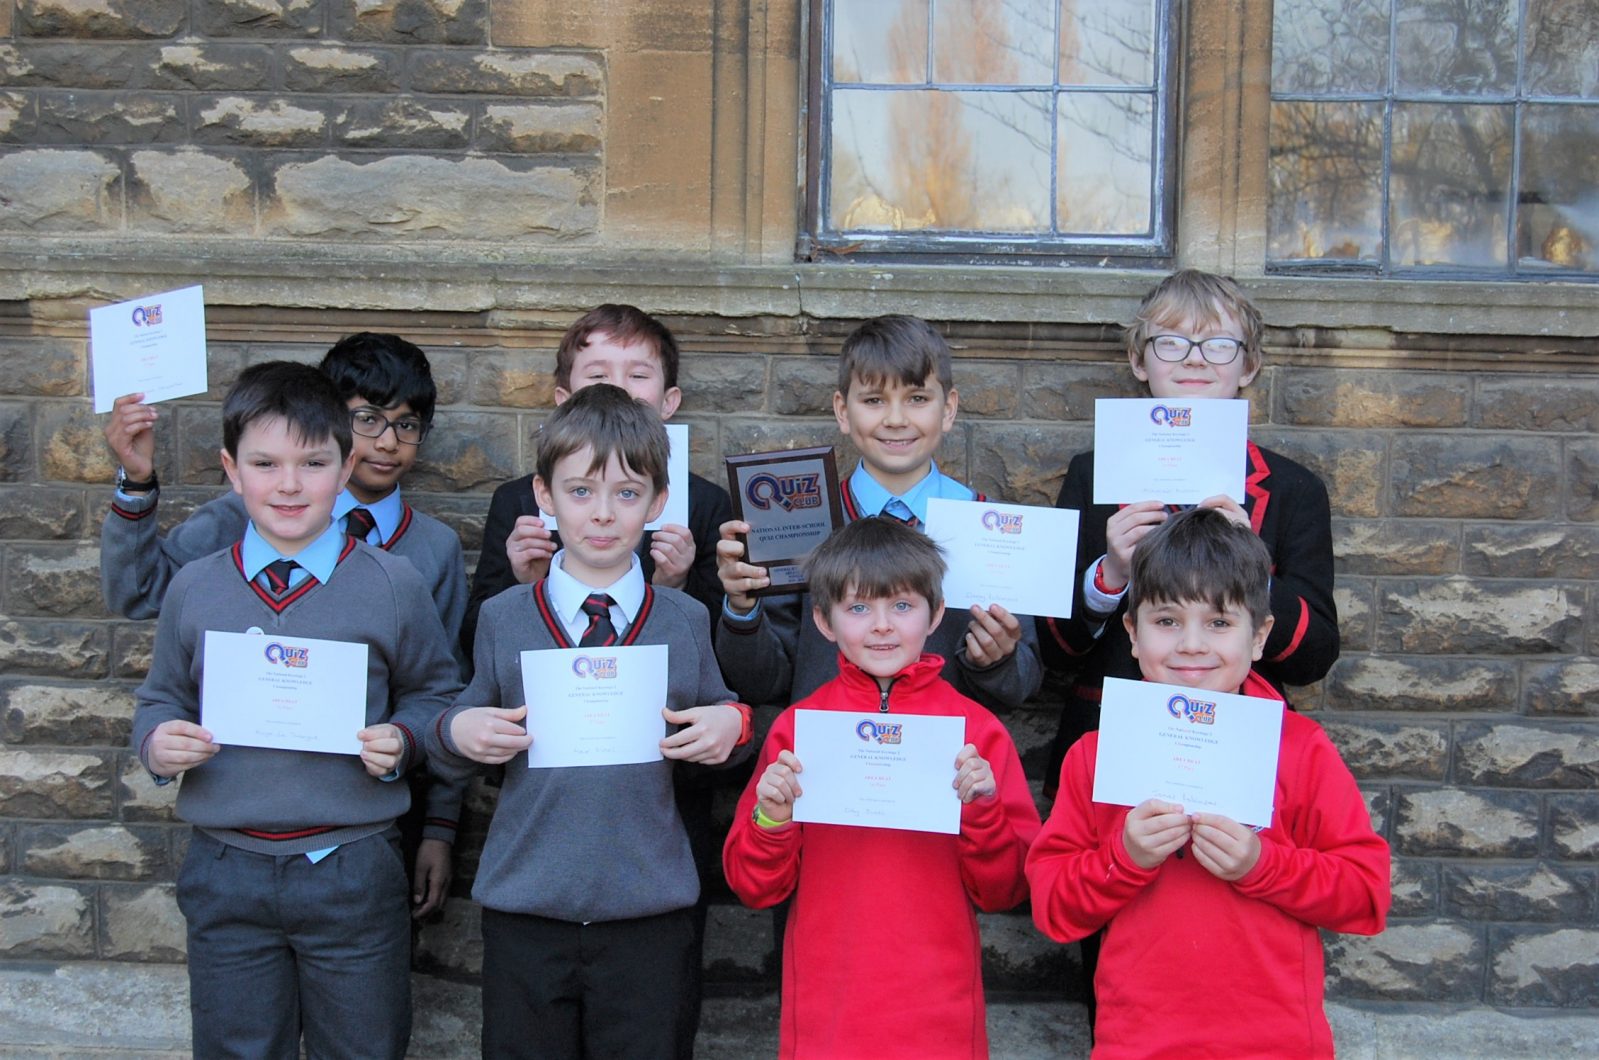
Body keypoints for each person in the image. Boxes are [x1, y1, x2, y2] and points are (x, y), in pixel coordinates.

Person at [130, 361, 461, 1059]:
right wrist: (158, 742)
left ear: (345, 468)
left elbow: (435, 694)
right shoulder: (195, 586)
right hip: (227, 866)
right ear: (231, 469)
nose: (288, 484)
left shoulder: (392, 583)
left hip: (352, 863)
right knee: (236, 1047)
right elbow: (161, 694)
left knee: (364, 1047)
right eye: (265, 463)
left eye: (313, 463)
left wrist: (403, 740)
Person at [427, 384, 754, 1060]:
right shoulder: (504, 616)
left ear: (659, 503)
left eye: (626, 494)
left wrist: (730, 726)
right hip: (527, 907)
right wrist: (460, 732)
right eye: (580, 492)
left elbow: (725, 708)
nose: (602, 514)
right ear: (543, 496)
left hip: (648, 912)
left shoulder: (685, 618)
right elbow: (458, 719)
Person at [1026, 508, 1389, 1058]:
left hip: (1275, 1045)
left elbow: (1365, 896)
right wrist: (1121, 858)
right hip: (1138, 1043)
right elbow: (1053, 908)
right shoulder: (1095, 758)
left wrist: (1263, 865)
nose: (1191, 645)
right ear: (1132, 631)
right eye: (1167, 621)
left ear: (1259, 635)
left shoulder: (1301, 749)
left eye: (1219, 623)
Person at [723, 516, 1040, 1058]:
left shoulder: (976, 733)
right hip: (828, 1004)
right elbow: (755, 887)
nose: (882, 626)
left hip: (938, 1002)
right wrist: (772, 819)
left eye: (901, 605)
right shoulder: (797, 729)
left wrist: (982, 812)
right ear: (823, 621)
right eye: (858, 607)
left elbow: (1006, 889)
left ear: (936, 614)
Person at [1041, 270, 1339, 793]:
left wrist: (1255, 570)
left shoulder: (1295, 489)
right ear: (1139, 361)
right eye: (1171, 342)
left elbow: (1314, 656)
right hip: (1111, 743)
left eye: (1219, 345)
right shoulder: (1094, 474)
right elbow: (1055, 654)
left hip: (1240, 750)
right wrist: (1108, 575)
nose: (1195, 358)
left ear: (1249, 366)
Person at [715, 314, 1043, 712]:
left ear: (949, 408)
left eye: (917, 398)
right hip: (822, 760)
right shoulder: (802, 524)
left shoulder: (991, 527)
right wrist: (742, 608)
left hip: (950, 764)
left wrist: (998, 660)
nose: (896, 419)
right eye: (873, 400)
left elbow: (1023, 683)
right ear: (842, 410)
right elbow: (762, 682)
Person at [463, 303, 732, 653]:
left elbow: (721, 654)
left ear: (669, 402)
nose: (618, 389)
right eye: (598, 376)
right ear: (563, 400)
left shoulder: (706, 505)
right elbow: (472, 644)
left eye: (638, 376)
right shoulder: (519, 502)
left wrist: (676, 585)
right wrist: (521, 582)